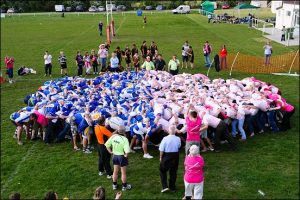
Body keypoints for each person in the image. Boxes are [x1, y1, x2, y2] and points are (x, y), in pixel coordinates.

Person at [105, 125, 132, 191]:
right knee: (123, 173)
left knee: (115, 171)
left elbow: (107, 145)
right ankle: (124, 186)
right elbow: (127, 151)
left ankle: (114, 185)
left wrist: (110, 152)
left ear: (117, 130)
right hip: (122, 157)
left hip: (115, 156)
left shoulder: (113, 136)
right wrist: (126, 155)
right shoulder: (125, 139)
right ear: (124, 131)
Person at [159, 125, 181, 193]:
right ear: (175, 131)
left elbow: (161, 149)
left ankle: (165, 186)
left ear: (168, 131)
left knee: (162, 170)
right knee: (173, 172)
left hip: (167, 155)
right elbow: (179, 146)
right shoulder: (178, 138)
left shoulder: (165, 139)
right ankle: (172, 188)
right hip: (175, 155)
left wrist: (160, 157)